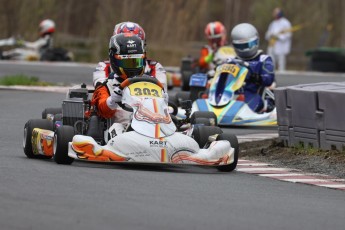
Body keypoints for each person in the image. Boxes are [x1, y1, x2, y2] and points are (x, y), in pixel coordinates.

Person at [91, 33, 168, 135]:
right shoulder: (106, 85)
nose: (133, 67)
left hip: (152, 130)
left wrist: (163, 102)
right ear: (114, 61)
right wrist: (112, 100)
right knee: (117, 127)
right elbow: (102, 110)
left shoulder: (151, 84)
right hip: (121, 133)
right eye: (127, 63)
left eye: (136, 62)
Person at [93, 21, 167, 92]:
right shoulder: (104, 66)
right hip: (116, 103)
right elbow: (100, 91)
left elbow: (162, 93)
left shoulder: (154, 67)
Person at [228, 23, 275, 113]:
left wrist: (255, 76)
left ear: (256, 41)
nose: (244, 49)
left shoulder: (264, 59)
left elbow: (269, 79)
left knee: (246, 109)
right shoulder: (232, 61)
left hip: (253, 93)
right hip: (231, 94)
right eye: (240, 46)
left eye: (247, 45)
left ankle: (265, 105)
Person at [265, 7, 292, 71]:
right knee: (270, 60)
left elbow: (288, 34)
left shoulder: (285, 23)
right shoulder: (273, 23)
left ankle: (281, 74)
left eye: (275, 12)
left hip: (281, 46)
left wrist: (279, 37)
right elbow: (268, 34)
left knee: (281, 62)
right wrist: (270, 35)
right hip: (272, 44)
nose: (274, 14)